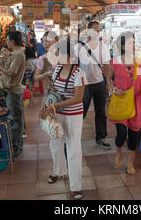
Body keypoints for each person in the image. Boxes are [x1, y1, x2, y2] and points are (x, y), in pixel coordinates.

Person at [44, 38, 86, 200]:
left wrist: (57, 105)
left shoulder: (79, 73)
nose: (57, 57)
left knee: (73, 149)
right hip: (57, 113)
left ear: (69, 56)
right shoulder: (57, 70)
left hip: (73, 115)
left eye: (59, 54)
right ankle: (59, 172)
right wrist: (48, 104)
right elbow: (53, 89)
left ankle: (76, 186)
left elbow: (78, 98)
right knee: (55, 144)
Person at [106, 31, 141, 174]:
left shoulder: (140, 62)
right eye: (129, 43)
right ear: (122, 45)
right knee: (121, 133)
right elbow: (108, 79)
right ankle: (119, 151)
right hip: (120, 101)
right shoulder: (114, 62)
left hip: (136, 102)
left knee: (133, 133)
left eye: (133, 42)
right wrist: (114, 89)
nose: (133, 45)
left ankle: (130, 162)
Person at [76, 21, 111, 150]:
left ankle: (101, 137)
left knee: (101, 111)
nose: (97, 32)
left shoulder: (103, 47)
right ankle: (74, 137)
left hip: (99, 83)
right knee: (81, 111)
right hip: (83, 85)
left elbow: (106, 65)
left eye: (98, 30)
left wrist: (106, 81)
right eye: (94, 30)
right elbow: (73, 64)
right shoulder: (79, 47)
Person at [0, 31, 26, 157]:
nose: (6, 43)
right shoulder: (14, 54)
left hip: (14, 91)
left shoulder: (18, 54)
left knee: (15, 119)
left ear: (12, 41)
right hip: (9, 89)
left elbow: (11, 73)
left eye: (7, 40)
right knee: (13, 118)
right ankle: (15, 145)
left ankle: (16, 146)